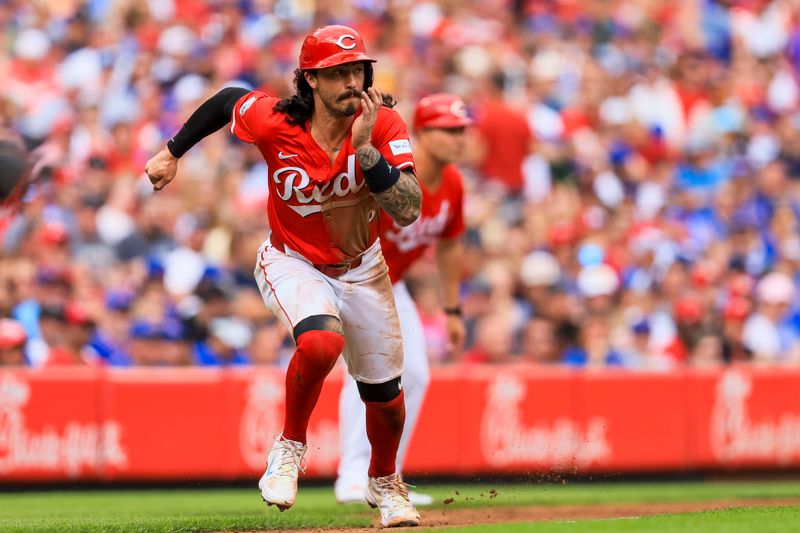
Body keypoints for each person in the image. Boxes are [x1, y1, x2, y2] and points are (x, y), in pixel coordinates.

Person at [144, 25, 423, 528]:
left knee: (386, 399)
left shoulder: (383, 125)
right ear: (311, 80)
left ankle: (384, 481)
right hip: (291, 258)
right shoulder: (276, 121)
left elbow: (408, 208)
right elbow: (228, 99)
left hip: (362, 268)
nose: (351, 81)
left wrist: (367, 151)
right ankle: (290, 445)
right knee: (320, 344)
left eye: (357, 70)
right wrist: (172, 151)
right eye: (337, 73)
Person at [335, 93, 468, 505]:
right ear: (423, 133)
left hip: (394, 284)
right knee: (367, 372)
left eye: (461, 130)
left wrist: (451, 309)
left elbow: (449, 245)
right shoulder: (390, 173)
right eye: (448, 130)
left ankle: (386, 478)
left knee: (414, 375)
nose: (459, 138)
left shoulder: (452, 184)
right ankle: (353, 475)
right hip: (351, 277)